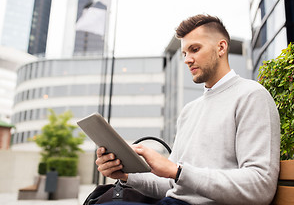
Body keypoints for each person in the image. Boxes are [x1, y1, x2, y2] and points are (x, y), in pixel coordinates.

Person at [96, 14, 280, 205]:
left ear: (221, 47)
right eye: (185, 53)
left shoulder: (251, 95)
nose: (187, 60)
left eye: (195, 49)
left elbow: (261, 186)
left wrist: (177, 170)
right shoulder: (189, 111)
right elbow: (171, 185)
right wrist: (125, 174)